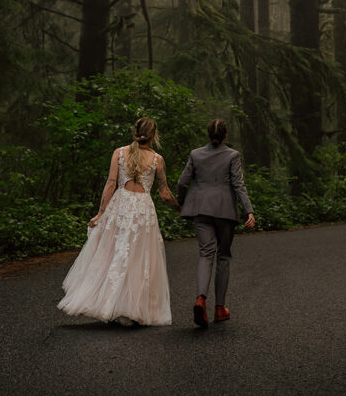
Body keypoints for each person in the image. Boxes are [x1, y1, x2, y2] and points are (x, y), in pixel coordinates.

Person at [58, 116, 180, 326]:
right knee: (138, 258)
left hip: (120, 206)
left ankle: (110, 305)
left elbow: (111, 183)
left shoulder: (119, 153)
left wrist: (101, 213)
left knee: (112, 252)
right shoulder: (157, 160)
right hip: (142, 210)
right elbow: (164, 194)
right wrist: (181, 209)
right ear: (153, 135)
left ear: (135, 132)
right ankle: (132, 308)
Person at [177, 118, 255, 328]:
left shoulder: (195, 154)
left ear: (207, 134)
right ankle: (220, 309)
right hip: (224, 211)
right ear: (225, 136)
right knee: (223, 255)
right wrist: (249, 210)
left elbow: (182, 181)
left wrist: (182, 202)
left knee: (205, 253)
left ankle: (200, 299)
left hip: (200, 209)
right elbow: (238, 185)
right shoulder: (232, 155)